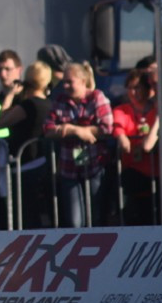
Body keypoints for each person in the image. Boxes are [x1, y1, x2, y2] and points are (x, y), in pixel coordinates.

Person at [42, 61, 113, 228]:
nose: (65, 86)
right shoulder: (60, 100)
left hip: (95, 164)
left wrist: (73, 129)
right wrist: (75, 131)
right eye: (64, 82)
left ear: (82, 81)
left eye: (69, 82)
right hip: (69, 167)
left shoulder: (96, 97)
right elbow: (47, 128)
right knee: (75, 220)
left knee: (95, 215)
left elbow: (107, 127)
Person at [0, 61, 54, 228]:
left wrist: (10, 95)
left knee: (25, 214)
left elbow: (0, 122)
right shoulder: (50, 104)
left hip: (26, 165)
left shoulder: (29, 105)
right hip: (41, 162)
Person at [112, 69, 158, 226]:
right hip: (132, 170)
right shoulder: (121, 110)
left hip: (155, 171)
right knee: (134, 213)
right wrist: (122, 137)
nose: (133, 92)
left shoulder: (156, 110)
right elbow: (117, 127)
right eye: (130, 88)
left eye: (137, 87)